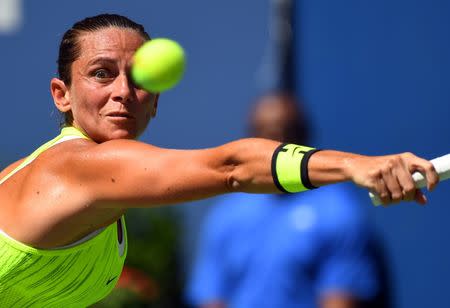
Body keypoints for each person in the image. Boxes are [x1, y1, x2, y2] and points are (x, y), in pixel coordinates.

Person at [0, 13, 438, 307]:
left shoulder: (53, 174)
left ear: (155, 101)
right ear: (62, 95)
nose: (122, 92)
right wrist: (354, 165)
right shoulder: (80, 165)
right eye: (101, 73)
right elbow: (230, 167)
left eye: (139, 78)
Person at [187, 93, 392, 308]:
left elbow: (340, 298)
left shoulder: (337, 212)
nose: (274, 148)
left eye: (285, 134)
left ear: (304, 137)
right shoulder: (227, 214)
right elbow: (211, 297)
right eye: (262, 136)